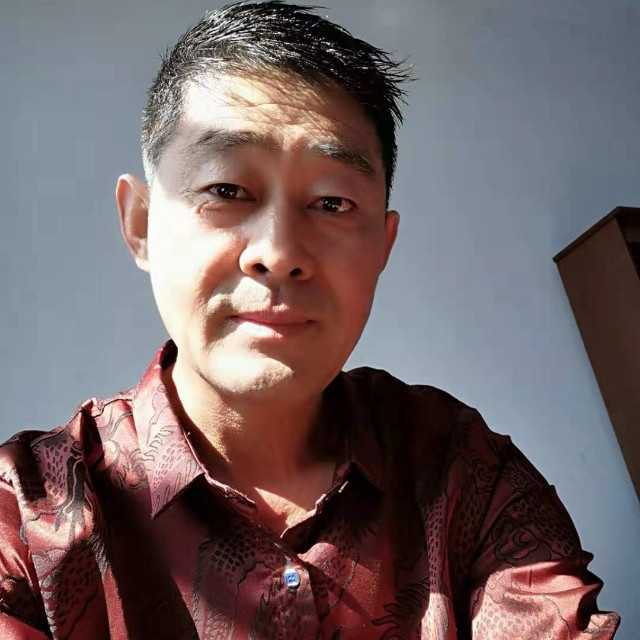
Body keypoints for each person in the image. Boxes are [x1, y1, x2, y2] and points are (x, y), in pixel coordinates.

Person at [0, 2, 620, 638]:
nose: (279, 252)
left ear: (383, 246)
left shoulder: (467, 477)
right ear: (141, 224)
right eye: (227, 190)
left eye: (331, 202)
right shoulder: (27, 519)